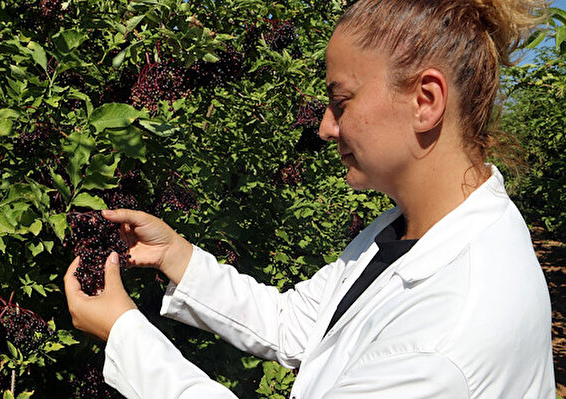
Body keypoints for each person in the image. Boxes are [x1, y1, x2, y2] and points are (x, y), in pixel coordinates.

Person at [64, 0, 556, 397]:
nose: (324, 127)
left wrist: (125, 334)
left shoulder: (446, 340)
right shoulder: (407, 231)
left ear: (425, 101)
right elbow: (303, 325)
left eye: (341, 102)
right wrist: (177, 257)